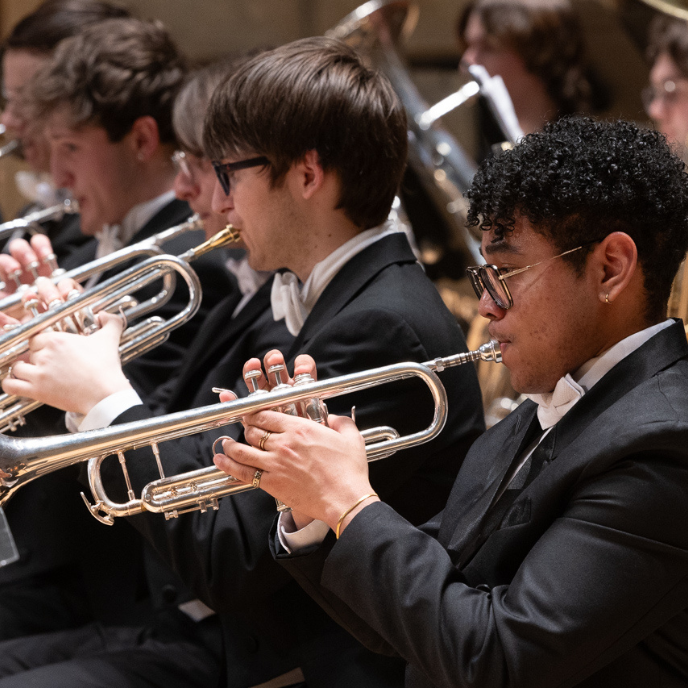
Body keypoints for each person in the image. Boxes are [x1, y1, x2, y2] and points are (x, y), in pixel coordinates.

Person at [0, 37, 485, 688]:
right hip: (208, 632)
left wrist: (104, 399)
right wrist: (78, 350)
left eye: (229, 173)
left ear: (307, 176)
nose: (220, 199)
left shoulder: (381, 326)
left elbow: (224, 555)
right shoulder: (326, 298)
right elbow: (198, 453)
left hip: (285, 663)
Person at [215, 116, 688, 688]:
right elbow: (414, 619)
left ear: (610, 267)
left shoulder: (666, 446)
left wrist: (348, 501)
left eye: (506, 273)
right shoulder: (530, 416)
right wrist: (310, 505)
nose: (486, 306)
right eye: (484, 276)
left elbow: (499, 659)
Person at [0, 0, 131, 257]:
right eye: (7, 99)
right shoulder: (37, 211)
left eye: (26, 100)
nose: (8, 120)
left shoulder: (102, 222)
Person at [457, 0, 591, 139]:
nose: (467, 61)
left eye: (489, 47)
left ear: (541, 54)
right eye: (468, 45)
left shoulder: (584, 147)